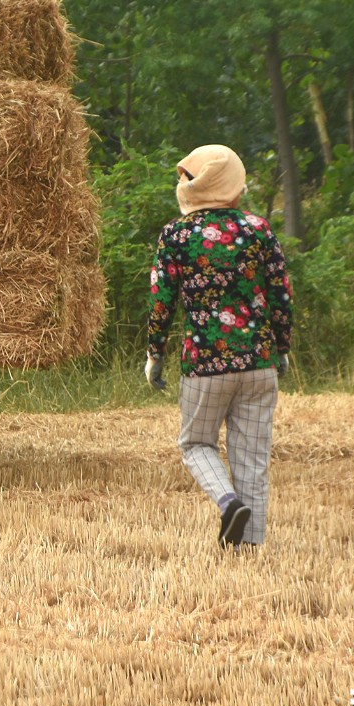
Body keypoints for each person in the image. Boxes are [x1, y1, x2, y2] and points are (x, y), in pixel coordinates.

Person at [144, 144, 293, 549]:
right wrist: (282, 347)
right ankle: (251, 548)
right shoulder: (258, 229)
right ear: (233, 183)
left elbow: (162, 300)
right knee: (252, 459)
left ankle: (228, 503)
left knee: (196, 444)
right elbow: (280, 294)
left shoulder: (177, 234)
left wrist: (154, 353)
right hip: (259, 362)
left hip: (205, 364)